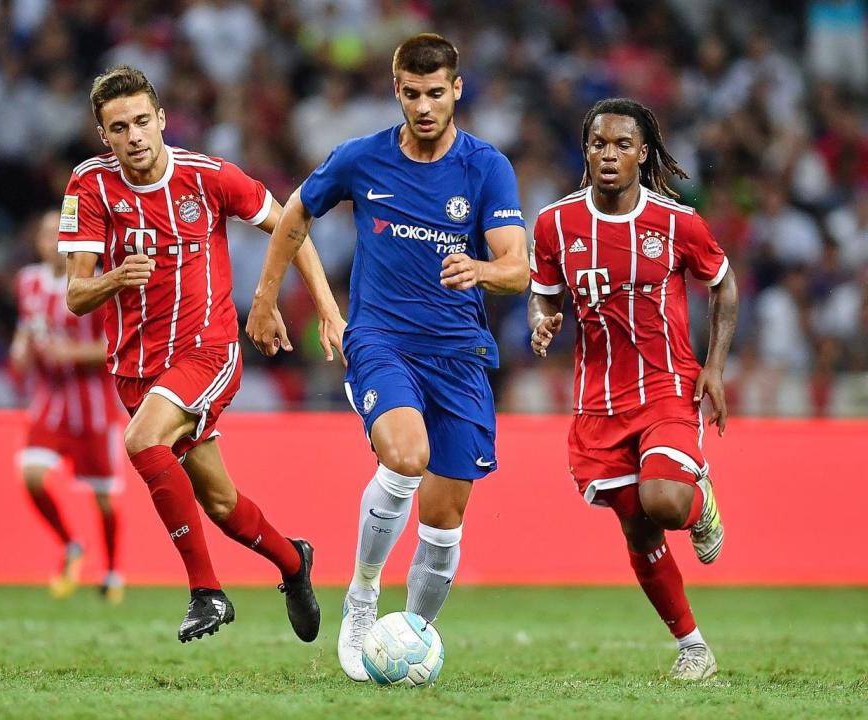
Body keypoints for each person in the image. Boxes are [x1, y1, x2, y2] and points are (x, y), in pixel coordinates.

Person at [246, 33, 529, 681]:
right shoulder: (361, 159)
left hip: (459, 357)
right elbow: (294, 213)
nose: (424, 106)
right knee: (405, 456)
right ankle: (363, 596)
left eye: (436, 93)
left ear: (457, 89)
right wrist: (266, 298)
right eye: (412, 93)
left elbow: (518, 267)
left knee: (444, 519)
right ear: (395, 90)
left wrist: (481, 268)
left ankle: (412, 636)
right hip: (381, 342)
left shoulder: (486, 168)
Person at [58, 65, 344, 644]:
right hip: (135, 367)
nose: (135, 135)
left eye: (143, 121)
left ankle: (206, 592)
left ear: (162, 120)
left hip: (206, 351)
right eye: (120, 127)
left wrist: (325, 308)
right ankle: (294, 561)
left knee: (141, 442)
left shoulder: (207, 177)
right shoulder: (88, 186)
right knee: (217, 501)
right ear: (103, 135)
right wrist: (115, 278)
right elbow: (76, 296)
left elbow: (291, 224)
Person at [528, 98, 738, 680]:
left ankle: (701, 506)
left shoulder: (676, 222)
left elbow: (724, 286)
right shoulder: (554, 223)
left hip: (667, 390)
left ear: (643, 154)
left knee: (664, 503)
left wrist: (714, 368)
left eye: (623, 145)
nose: (610, 154)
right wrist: (541, 318)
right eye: (599, 144)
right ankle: (693, 647)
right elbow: (543, 291)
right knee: (638, 528)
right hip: (596, 403)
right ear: (586, 151)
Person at [12, 209, 124, 604]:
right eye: (42, 233)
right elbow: (27, 328)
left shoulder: (91, 287)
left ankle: (111, 573)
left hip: (92, 406)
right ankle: (71, 544)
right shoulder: (27, 283)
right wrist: (20, 350)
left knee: (104, 498)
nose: (48, 240)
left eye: (54, 233)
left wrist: (72, 352)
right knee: (31, 476)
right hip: (50, 401)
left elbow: (114, 345)